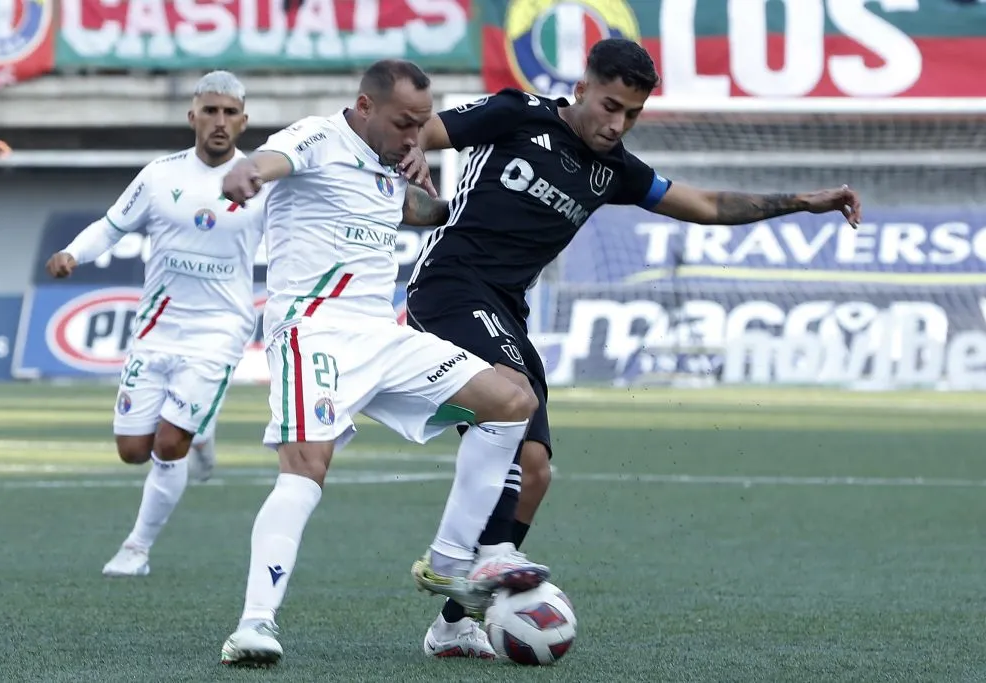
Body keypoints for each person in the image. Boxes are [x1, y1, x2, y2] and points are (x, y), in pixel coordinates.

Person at [403, 37, 863, 657]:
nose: (618, 124)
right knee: (513, 406)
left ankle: (453, 624)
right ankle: (470, 556)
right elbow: (424, 129)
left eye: (633, 114)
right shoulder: (517, 112)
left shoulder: (614, 170)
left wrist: (802, 203)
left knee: (535, 470)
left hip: (506, 312)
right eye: (611, 106)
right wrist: (411, 151)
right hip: (449, 289)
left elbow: (706, 204)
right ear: (581, 90)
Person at [217, 59, 550, 668]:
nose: (414, 135)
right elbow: (270, 161)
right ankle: (254, 625)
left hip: (381, 336)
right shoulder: (317, 137)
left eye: (422, 124)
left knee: (512, 402)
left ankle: (449, 563)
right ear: (366, 106)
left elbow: (421, 212)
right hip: (313, 331)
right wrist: (246, 172)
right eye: (404, 123)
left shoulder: (389, 162)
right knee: (306, 468)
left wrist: (441, 193)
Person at [45, 71, 268, 578]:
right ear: (192, 117)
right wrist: (73, 253)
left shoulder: (261, 182)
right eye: (210, 111)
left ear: (243, 121)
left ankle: (136, 549)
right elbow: (111, 226)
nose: (219, 121)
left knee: (169, 445)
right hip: (157, 327)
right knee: (132, 451)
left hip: (220, 329)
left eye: (230, 113)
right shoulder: (159, 175)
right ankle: (203, 432)